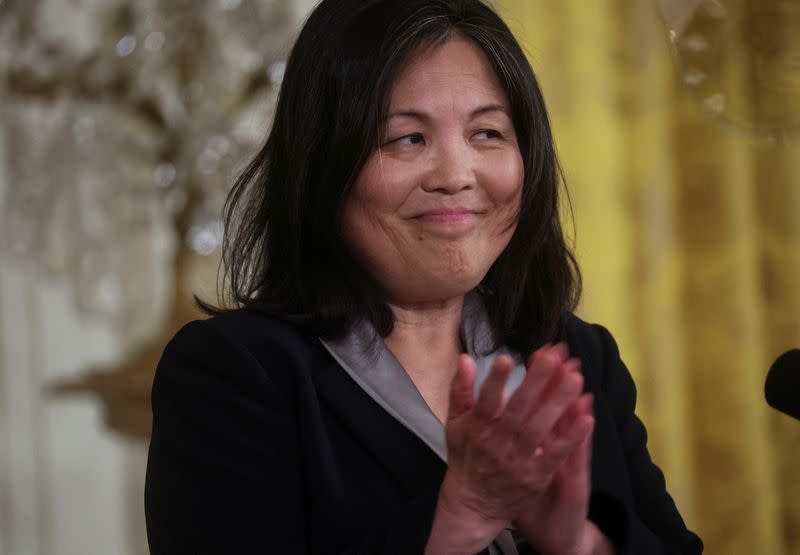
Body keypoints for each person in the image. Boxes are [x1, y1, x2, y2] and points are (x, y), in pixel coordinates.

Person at [144, 1, 704, 554]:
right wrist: (461, 519)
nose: (456, 176)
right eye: (407, 138)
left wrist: (578, 543)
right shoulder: (235, 373)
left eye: (487, 133)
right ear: (322, 163)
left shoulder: (579, 357)